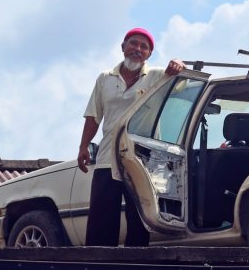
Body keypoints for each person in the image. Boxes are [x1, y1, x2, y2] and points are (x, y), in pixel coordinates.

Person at [78, 28, 185, 246]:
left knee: (139, 216)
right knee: (101, 215)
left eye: (143, 47)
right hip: (108, 155)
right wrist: (83, 147)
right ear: (123, 47)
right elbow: (93, 116)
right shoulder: (105, 78)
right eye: (133, 44)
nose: (137, 49)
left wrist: (178, 64)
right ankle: (98, 262)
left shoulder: (159, 76)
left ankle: (134, 263)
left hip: (141, 159)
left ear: (149, 54)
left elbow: (183, 81)